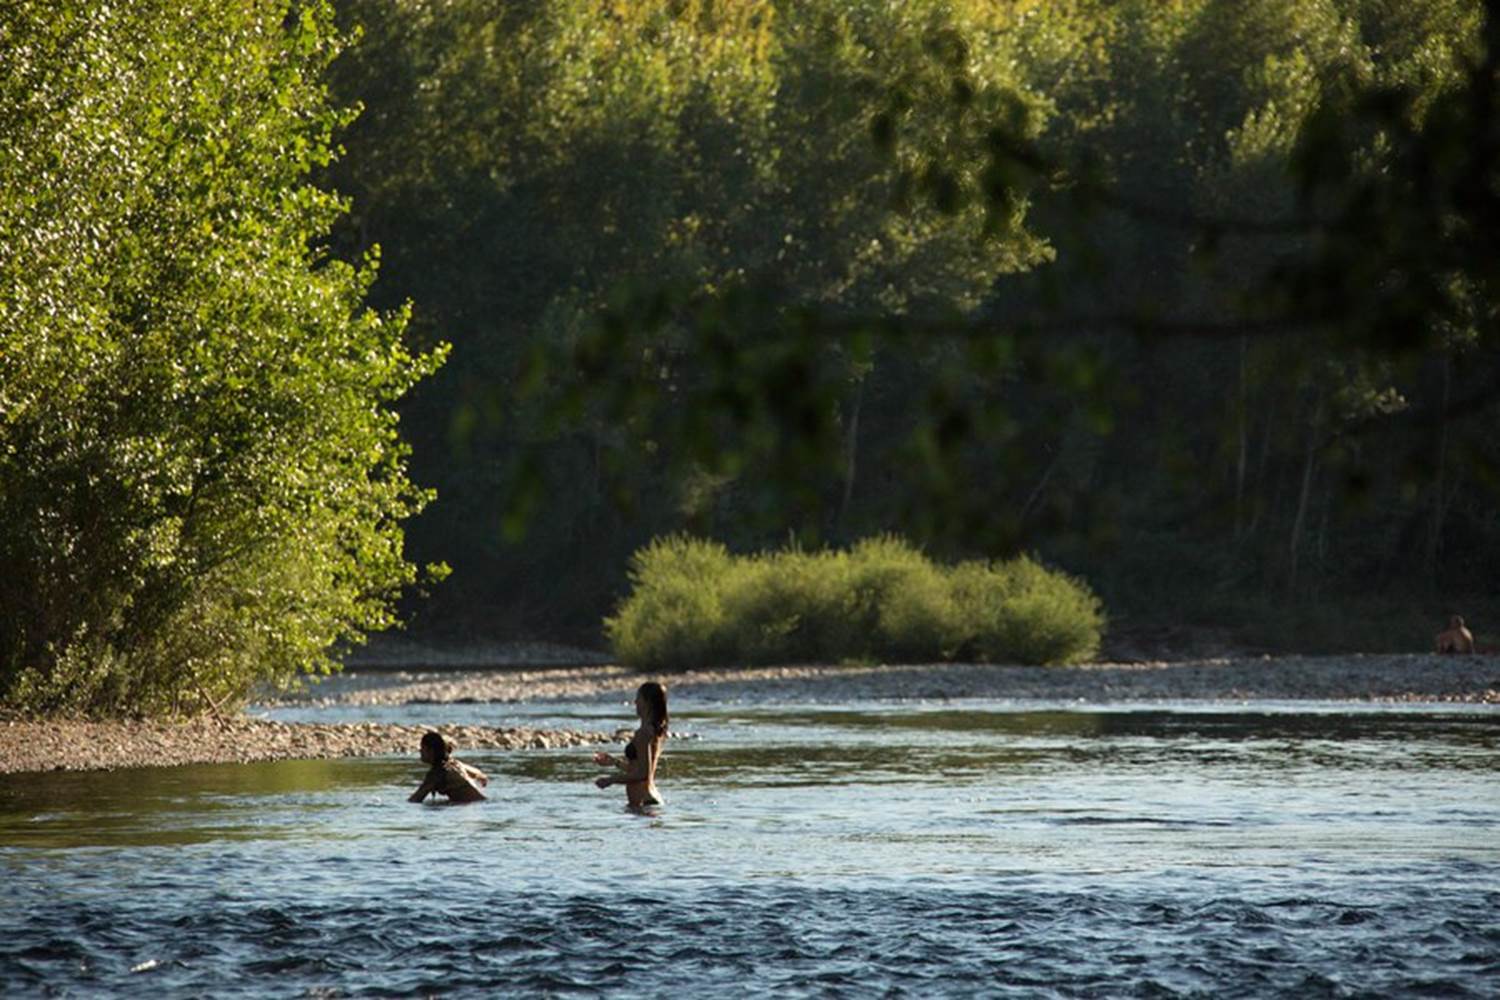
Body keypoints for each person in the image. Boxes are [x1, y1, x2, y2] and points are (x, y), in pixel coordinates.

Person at [592, 681, 668, 808]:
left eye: (639, 698)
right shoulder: (651, 731)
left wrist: (611, 780)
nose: (635, 702)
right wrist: (614, 762)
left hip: (645, 802)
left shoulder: (644, 733)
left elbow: (643, 774)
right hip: (646, 801)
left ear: (647, 703)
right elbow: (639, 769)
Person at [409, 730, 489, 803]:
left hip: (471, 805)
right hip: (480, 803)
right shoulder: (455, 763)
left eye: (422, 748)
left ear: (431, 751)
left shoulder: (436, 773)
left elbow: (416, 799)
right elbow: (481, 775)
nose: (420, 751)